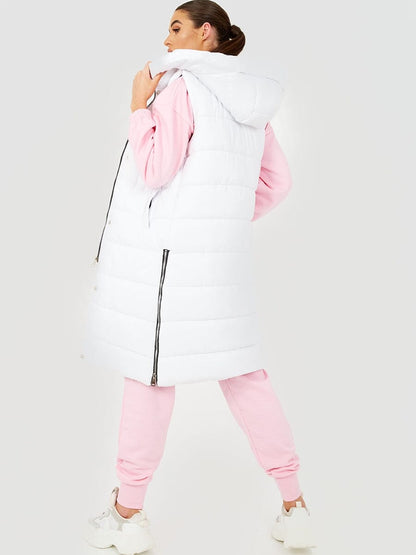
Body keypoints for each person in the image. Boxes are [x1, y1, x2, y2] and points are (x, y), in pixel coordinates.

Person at [82, 1, 317, 552]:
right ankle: (296, 508)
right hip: (221, 261)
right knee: (244, 374)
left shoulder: (181, 87)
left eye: (176, 27)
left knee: (149, 375)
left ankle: (128, 517)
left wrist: (138, 106)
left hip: (168, 262)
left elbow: (154, 169)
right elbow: (276, 182)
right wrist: (219, 220)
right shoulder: (249, 101)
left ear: (206, 33)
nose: (166, 41)